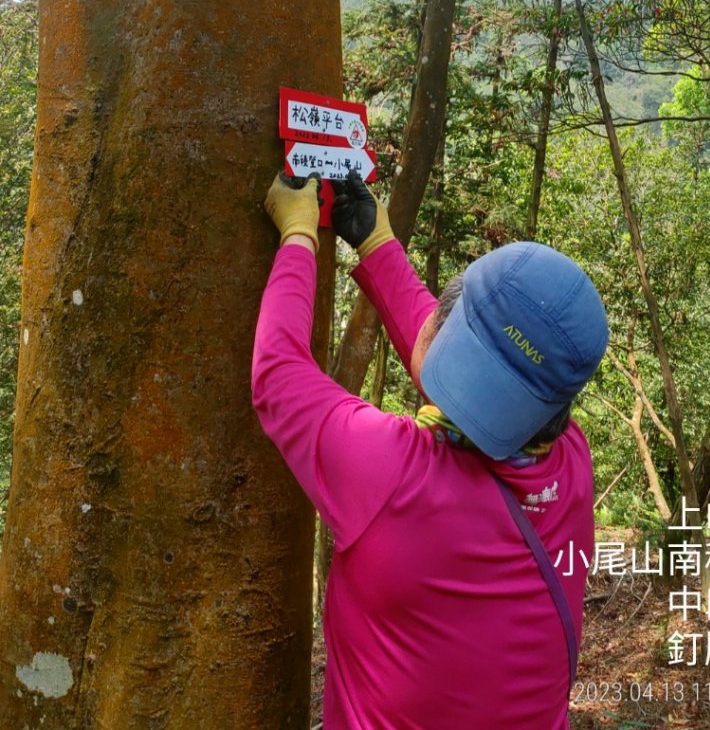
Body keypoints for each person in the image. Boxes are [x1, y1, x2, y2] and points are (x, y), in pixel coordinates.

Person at [252, 170, 609, 730]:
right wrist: (377, 244)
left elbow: (278, 372)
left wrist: (298, 236)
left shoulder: (388, 471)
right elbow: (484, 377)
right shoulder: (572, 465)